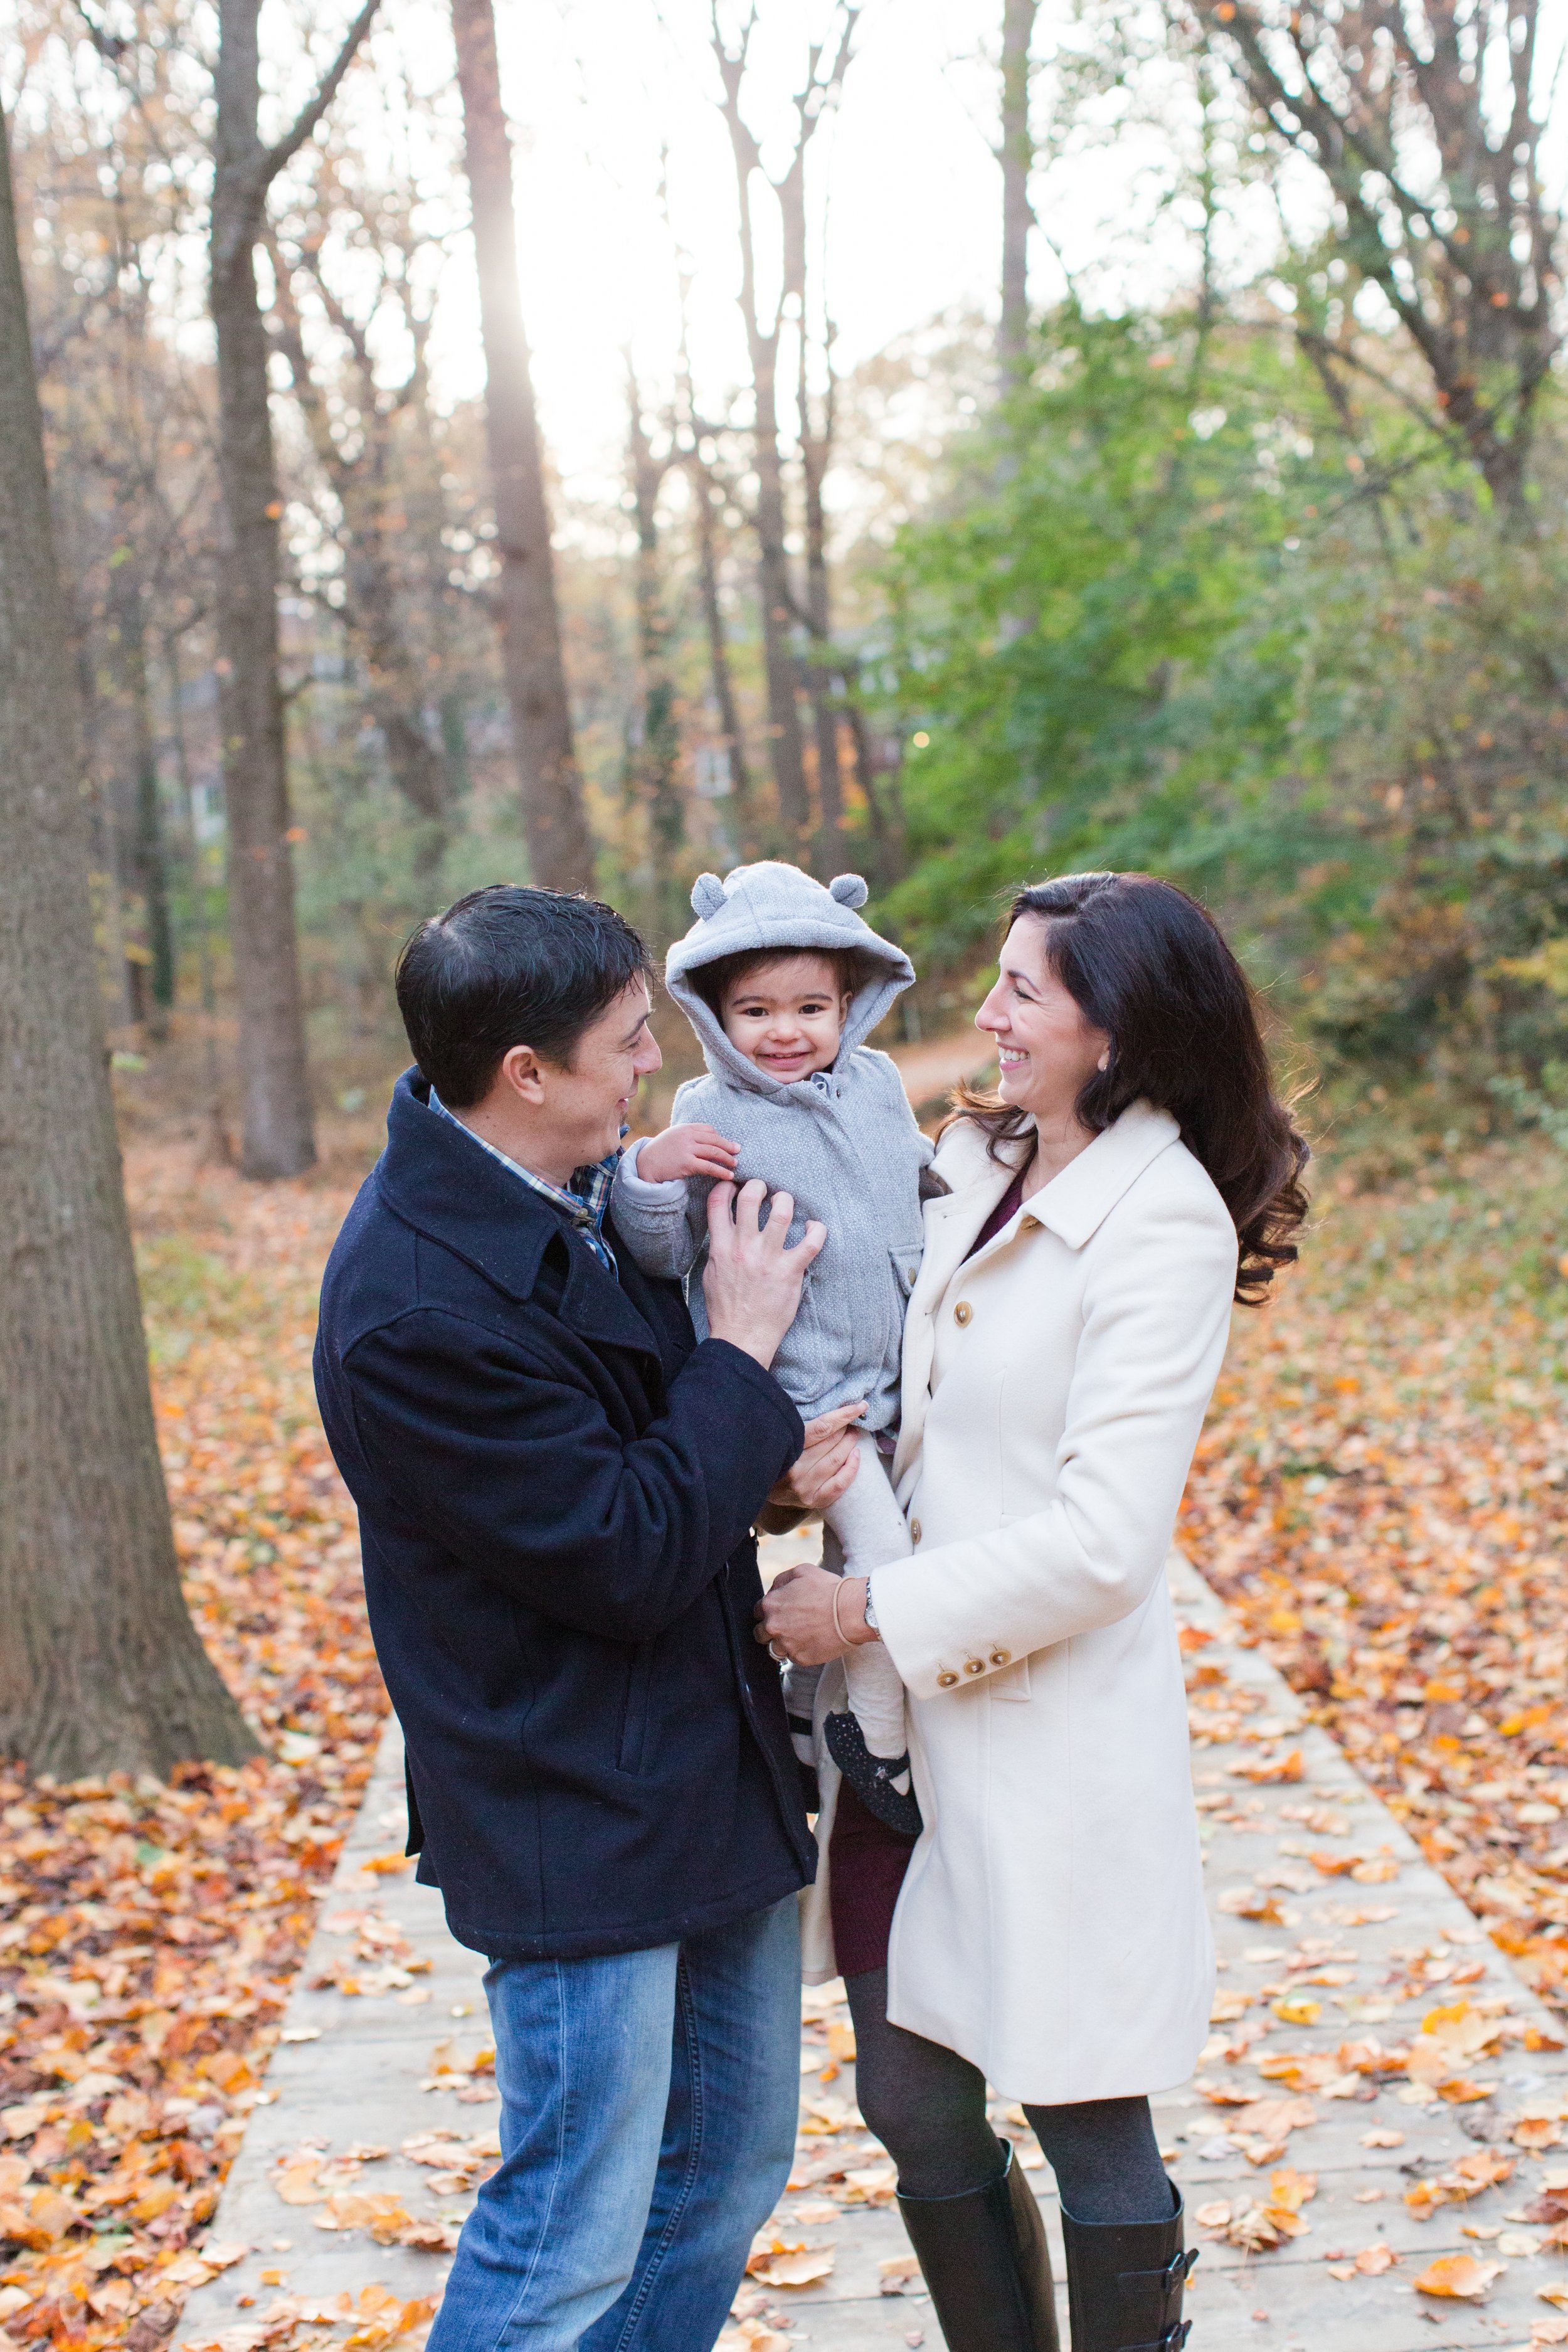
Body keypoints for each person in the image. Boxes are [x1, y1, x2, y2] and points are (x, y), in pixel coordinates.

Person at [759, 872, 1309, 2352]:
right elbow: (885, 1384)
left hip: (1043, 1733)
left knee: (1083, 2115)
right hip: (894, 1730)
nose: (985, 1015)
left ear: (1114, 1029)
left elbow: (1104, 1545)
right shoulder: (965, 1156)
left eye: (1020, 991)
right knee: (908, 2099)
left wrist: (867, 1601)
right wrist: (787, 1460)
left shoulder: (1162, 1223)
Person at [313, 884, 862, 2352]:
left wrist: (757, 1468)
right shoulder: (417, 1303)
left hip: (699, 1768)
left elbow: (636, 1474)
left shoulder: (562, 1197)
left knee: (719, 2180)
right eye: (627, 1044)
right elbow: (616, 1549)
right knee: (568, 2230)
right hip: (572, 1802)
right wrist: (741, 1356)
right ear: (527, 1075)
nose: (649, 1066)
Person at [611, 862, 935, 1834]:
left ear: (851, 1003)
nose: (784, 1032)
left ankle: (800, 1712)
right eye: (755, 1010)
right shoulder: (710, 1112)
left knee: (859, 1556)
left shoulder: (876, 1083)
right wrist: (649, 1175)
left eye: (809, 1007)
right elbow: (664, 1249)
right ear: (713, 1015)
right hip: (800, 1393)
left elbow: (912, 1179)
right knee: (882, 1560)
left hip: (888, 1378)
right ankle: (877, 1743)